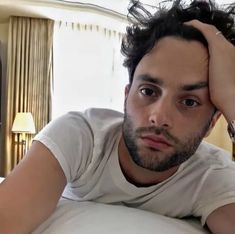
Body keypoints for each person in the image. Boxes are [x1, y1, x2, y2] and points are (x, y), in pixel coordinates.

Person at [0, 0, 235, 233]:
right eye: (148, 91)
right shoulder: (80, 138)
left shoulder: (211, 176)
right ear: (126, 96)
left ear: (212, 123)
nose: (159, 117)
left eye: (189, 102)